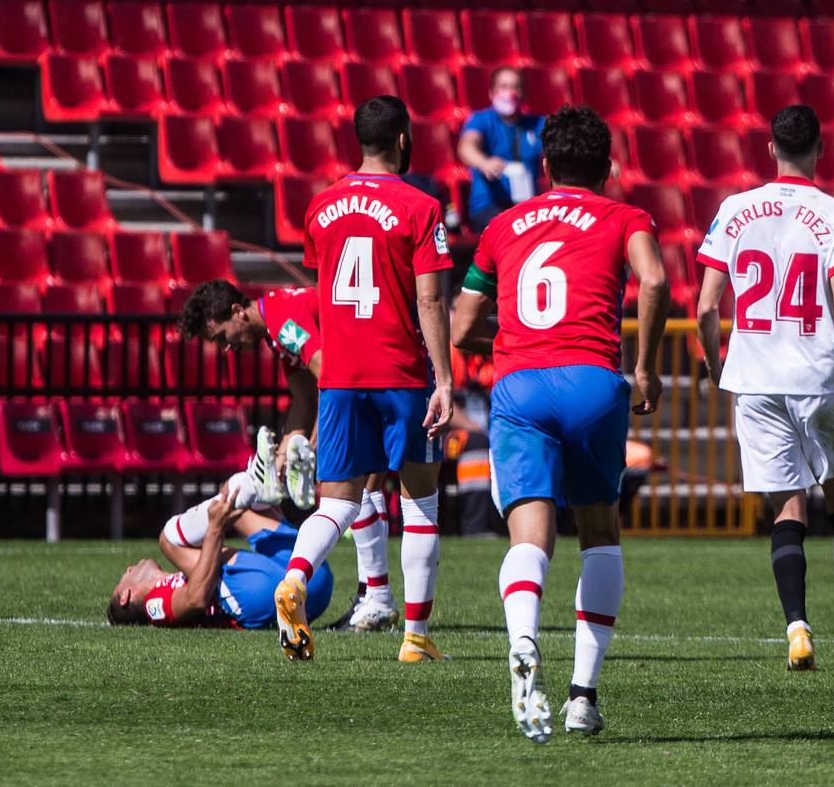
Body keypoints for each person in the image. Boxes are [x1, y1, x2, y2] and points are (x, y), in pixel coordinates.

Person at [450, 105, 670, 742]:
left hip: (519, 385)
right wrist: (648, 369)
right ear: (606, 168)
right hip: (594, 383)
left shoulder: (502, 225)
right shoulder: (626, 216)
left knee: (529, 537)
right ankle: (581, 696)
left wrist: (513, 335)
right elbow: (654, 280)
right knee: (599, 531)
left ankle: (523, 643)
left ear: (545, 166)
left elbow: (463, 327)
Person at [693, 105, 834, 673]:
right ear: (820, 151)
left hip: (755, 379)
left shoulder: (735, 210)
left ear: (770, 149)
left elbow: (704, 306)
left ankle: (797, 629)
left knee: (787, 506)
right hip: (816, 376)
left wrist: (713, 363)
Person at [274, 95, 455, 663]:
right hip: (401, 372)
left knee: (338, 505)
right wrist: (444, 378)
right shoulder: (420, 206)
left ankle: (297, 578)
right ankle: (416, 639)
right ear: (403, 139)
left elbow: (324, 286)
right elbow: (430, 297)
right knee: (420, 502)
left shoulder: (320, 206)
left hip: (342, 376)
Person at [179, 279, 441, 634]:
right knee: (363, 488)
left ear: (238, 312)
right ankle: (375, 598)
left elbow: (326, 372)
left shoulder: (283, 321)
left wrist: (317, 440)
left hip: (373, 373)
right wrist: (285, 453)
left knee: (352, 490)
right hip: (375, 370)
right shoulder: (277, 322)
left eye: (222, 336)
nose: (225, 348)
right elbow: (304, 397)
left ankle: (373, 598)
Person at [108, 481, 334, 631]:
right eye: (122, 577)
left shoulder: (178, 577)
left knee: (239, 500)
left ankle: (269, 478)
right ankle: (261, 477)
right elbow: (196, 599)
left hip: (313, 579)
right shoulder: (153, 605)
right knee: (168, 538)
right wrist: (215, 527)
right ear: (126, 595)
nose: (129, 568)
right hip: (258, 596)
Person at [457, 67, 546, 232]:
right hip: (489, 207)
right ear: (492, 92)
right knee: (510, 230)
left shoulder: (537, 124)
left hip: (528, 206)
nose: (510, 93)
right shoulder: (481, 120)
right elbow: (466, 146)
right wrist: (483, 162)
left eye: (515, 87)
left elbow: (563, 144)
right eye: (504, 87)